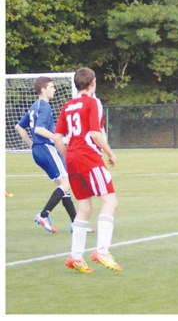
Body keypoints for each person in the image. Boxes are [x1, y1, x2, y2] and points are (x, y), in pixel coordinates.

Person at [54, 67, 122, 273]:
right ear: (93, 84)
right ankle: (101, 251)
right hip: (88, 158)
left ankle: (75, 256)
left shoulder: (67, 106)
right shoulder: (93, 103)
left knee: (85, 208)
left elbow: (58, 137)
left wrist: (68, 158)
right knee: (110, 201)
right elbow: (95, 133)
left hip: (73, 158)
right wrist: (110, 153)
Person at [15, 76, 77, 233]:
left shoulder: (34, 106)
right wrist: (60, 138)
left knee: (64, 186)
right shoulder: (44, 106)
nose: (54, 89)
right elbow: (39, 129)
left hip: (38, 150)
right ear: (43, 89)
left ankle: (76, 223)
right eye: (51, 87)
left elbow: (18, 127)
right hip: (46, 148)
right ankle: (43, 215)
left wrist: (32, 145)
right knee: (68, 183)